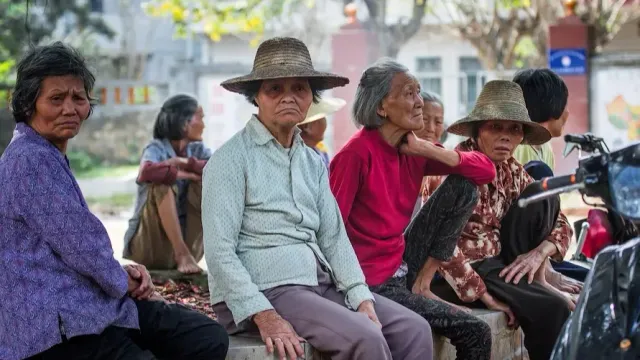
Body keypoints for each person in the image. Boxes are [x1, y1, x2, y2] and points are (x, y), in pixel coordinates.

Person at [202, 37, 434, 360]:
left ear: (311, 97)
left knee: (414, 330)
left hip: (319, 285)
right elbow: (218, 252)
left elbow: (334, 237)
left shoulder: (311, 161)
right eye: (275, 89)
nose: (288, 97)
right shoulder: (230, 160)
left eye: (299, 88)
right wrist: (263, 313)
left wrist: (361, 297)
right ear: (256, 97)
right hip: (268, 289)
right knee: (366, 339)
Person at [0, 42, 228, 360]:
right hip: (56, 325)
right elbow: (80, 245)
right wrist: (123, 280)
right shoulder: (29, 159)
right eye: (56, 99)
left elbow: (73, 247)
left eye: (78, 98)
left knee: (207, 336)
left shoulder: (45, 153)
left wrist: (123, 274)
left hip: (89, 306)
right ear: (28, 104)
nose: (70, 109)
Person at [329, 58, 496, 360]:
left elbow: (486, 171)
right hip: (371, 281)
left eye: (419, 91)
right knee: (476, 332)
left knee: (463, 187)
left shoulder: (412, 148)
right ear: (382, 107)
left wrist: (426, 149)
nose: (420, 102)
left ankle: (424, 282)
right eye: (409, 93)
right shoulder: (354, 156)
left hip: (404, 264)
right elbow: (330, 231)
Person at [430, 80, 573, 360]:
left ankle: (538, 279)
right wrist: (482, 294)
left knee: (544, 193)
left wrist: (539, 253)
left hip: (502, 264)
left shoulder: (512, 169)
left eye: (514, 129)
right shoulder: (454, 165)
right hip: (458, 272)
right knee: (552, 308)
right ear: (477, 130)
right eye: (496, 127)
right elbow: (438, 244)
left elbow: (562, 222)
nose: (505, 137)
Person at [512, 68, 588, 285]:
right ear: (552, 107)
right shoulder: (514, 150)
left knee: (594, 278)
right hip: (515, 253)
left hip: (541, 251)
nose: (567, 113)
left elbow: (553, 215)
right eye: (565, 105)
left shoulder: (544, 148)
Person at [123, 94, 211, 274]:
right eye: (200, 117)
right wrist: (183, 175)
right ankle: (181, 253)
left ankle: (199, 254)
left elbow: (221, 169)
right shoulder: (156, 148)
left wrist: (184, 163)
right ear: (183, 123)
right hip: (149, 248)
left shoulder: (197, 150)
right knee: (161, 183)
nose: (204, 124)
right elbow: (146, 171)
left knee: (207, 181)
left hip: (192, 246)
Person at [415, 91, 446, 205]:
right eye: (424, 119)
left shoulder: (445, 163)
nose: (431, 129)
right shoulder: (396, 161)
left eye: (438, 122)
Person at [298, 96, 346, 168]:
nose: (325, 121)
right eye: (321, 117)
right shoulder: (300, 158)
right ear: (307, 126)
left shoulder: (320, 152)